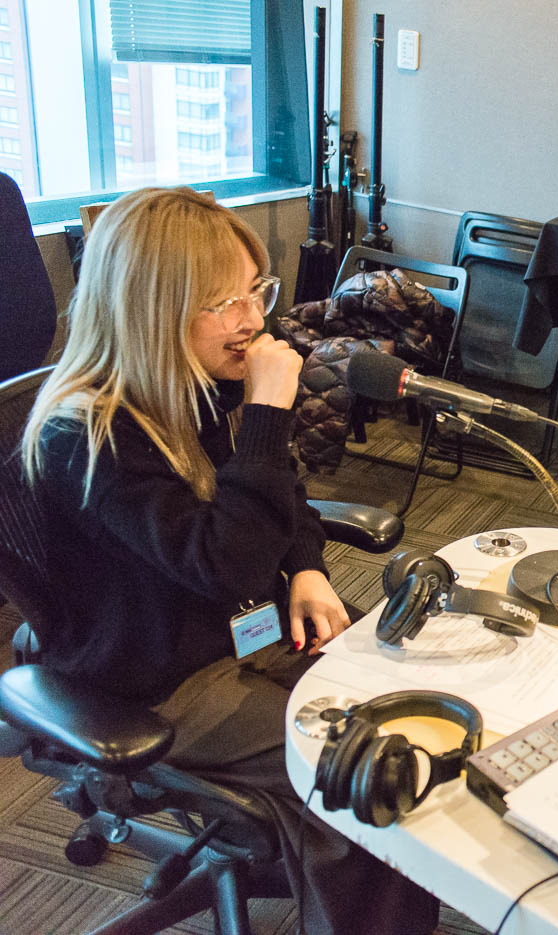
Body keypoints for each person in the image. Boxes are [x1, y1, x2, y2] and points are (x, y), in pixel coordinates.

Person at [20, 187, 439, 934]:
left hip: (243, 629)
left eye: (255, 291)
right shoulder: (89, 435)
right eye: (224, 302)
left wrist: (306, 565)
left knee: (416, 701)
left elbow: (282, 493)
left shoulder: (194, 386)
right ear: (152, 309)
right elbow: (227, 565)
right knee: (362, 777)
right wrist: (268, 413)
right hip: (161, 680)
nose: (253, 319)